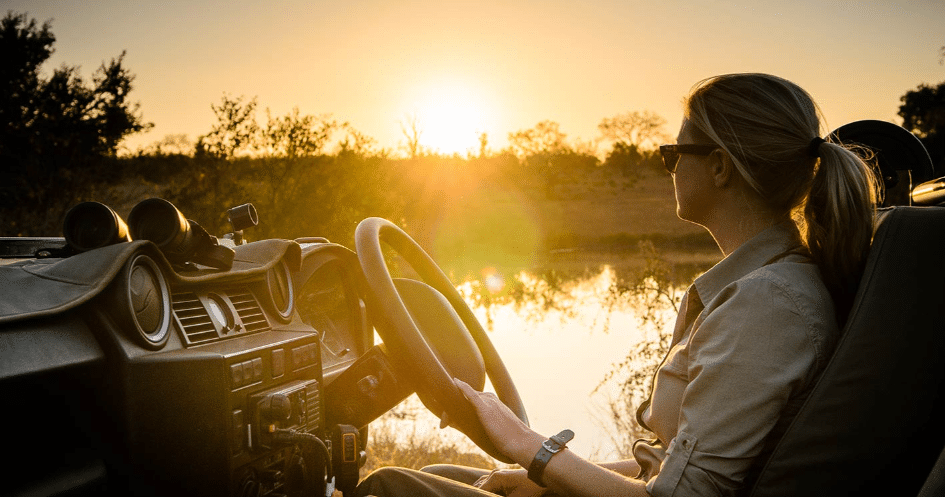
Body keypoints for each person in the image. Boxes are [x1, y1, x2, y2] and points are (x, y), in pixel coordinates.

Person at [354, 73, 879, 497]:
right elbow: (679, 466)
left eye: (675, 154)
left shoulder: (767, 304)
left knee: (387, 486)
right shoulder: (766, 288)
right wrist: (547, 474)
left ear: (720, 166)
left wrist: (523, 443)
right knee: (456, 476)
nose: (668, 168)